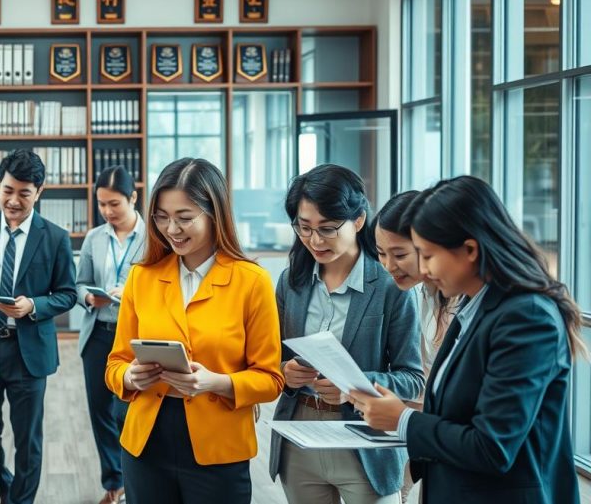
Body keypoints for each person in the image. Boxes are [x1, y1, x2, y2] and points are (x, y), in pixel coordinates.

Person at [349, 176, 585, 504]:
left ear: (470, 250)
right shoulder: (473, 309)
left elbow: (493, 447)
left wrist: (402, 420)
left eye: (427, 255)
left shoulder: (526, 317)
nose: (425, 270)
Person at [104, 157, 284, 504]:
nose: (172, 229)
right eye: (161, 217)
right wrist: (130, 377)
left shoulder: (252, 281)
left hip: (219, 449)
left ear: (214, 214)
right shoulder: (142, 277)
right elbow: (114, 365)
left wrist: (215, 382)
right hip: (146, 445)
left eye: (185, 218)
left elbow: (271, 379)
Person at [269, 164, 424, 504]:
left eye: (327, 228)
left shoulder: (390, 285)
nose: (314, 240)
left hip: (365, 440)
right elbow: (273, 359)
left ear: (358, 221)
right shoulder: (290, 282)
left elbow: (413, 378)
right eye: (304, 228)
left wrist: (353, 385)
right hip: (300, 437)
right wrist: (285, 372)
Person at [0, 149, 78, 504]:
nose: (13, 200)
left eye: (24, 192)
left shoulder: (54, 237)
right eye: (7, 190)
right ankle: (5, 490)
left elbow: (68, 294)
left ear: (39, 192)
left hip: (29, 352)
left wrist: (34, 305)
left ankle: (22, 501)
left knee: (28, 440)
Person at [371, 190, 458, 502]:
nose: (388, 265)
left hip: (443, 433)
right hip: (425, 427)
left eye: (400, 253)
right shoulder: (420, 294)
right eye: (381, 253)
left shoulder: (472, 301)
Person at [76, 166, 147, 504]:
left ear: (133, 198)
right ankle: (113, 485)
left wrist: (130, 290)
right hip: (98, 333)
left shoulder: (154, 239)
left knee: (127, 411)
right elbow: (78, 285)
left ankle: (134, 482)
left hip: (134, 338)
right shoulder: (94, 238)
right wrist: (90, 297)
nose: (107, 211)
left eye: (114, 204)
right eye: (101, 204)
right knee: (100, 411)